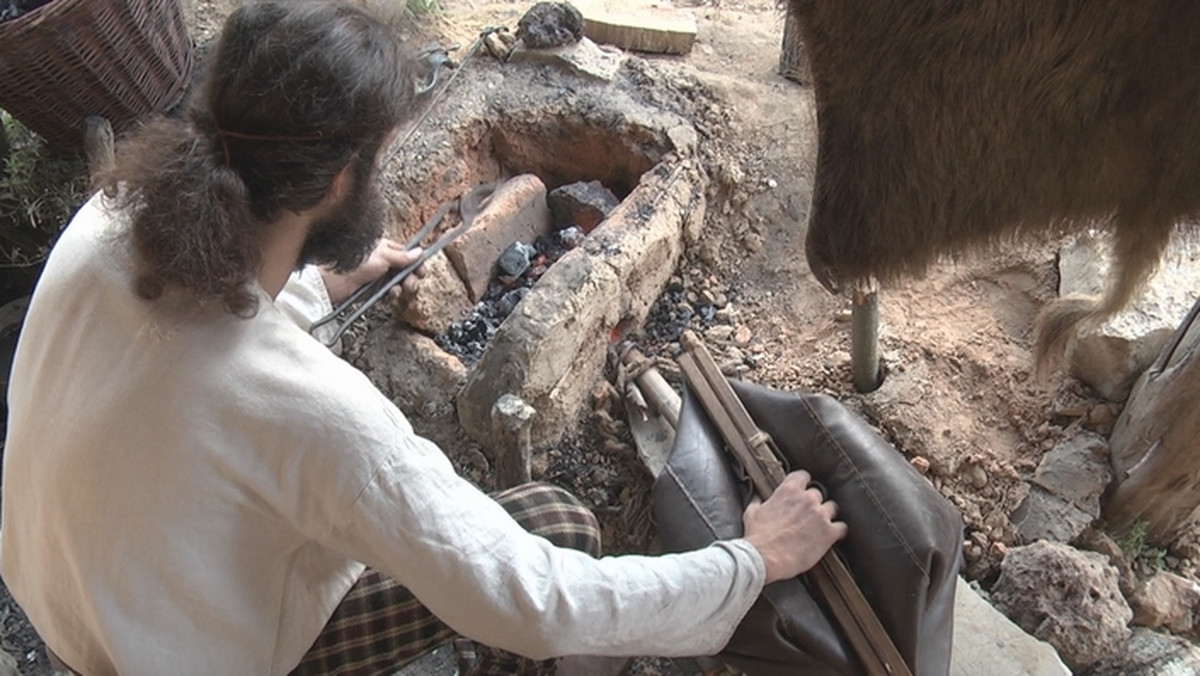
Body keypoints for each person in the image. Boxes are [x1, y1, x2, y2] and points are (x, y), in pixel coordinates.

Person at [0, 2, 847, 674]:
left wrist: (322, 273)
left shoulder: (106, 220)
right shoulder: (324, 422)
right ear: (340, 180)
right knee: (557, 522)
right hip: (189, 653)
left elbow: (208, 332)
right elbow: (537, 600)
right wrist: (749, 559)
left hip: (69, 597)